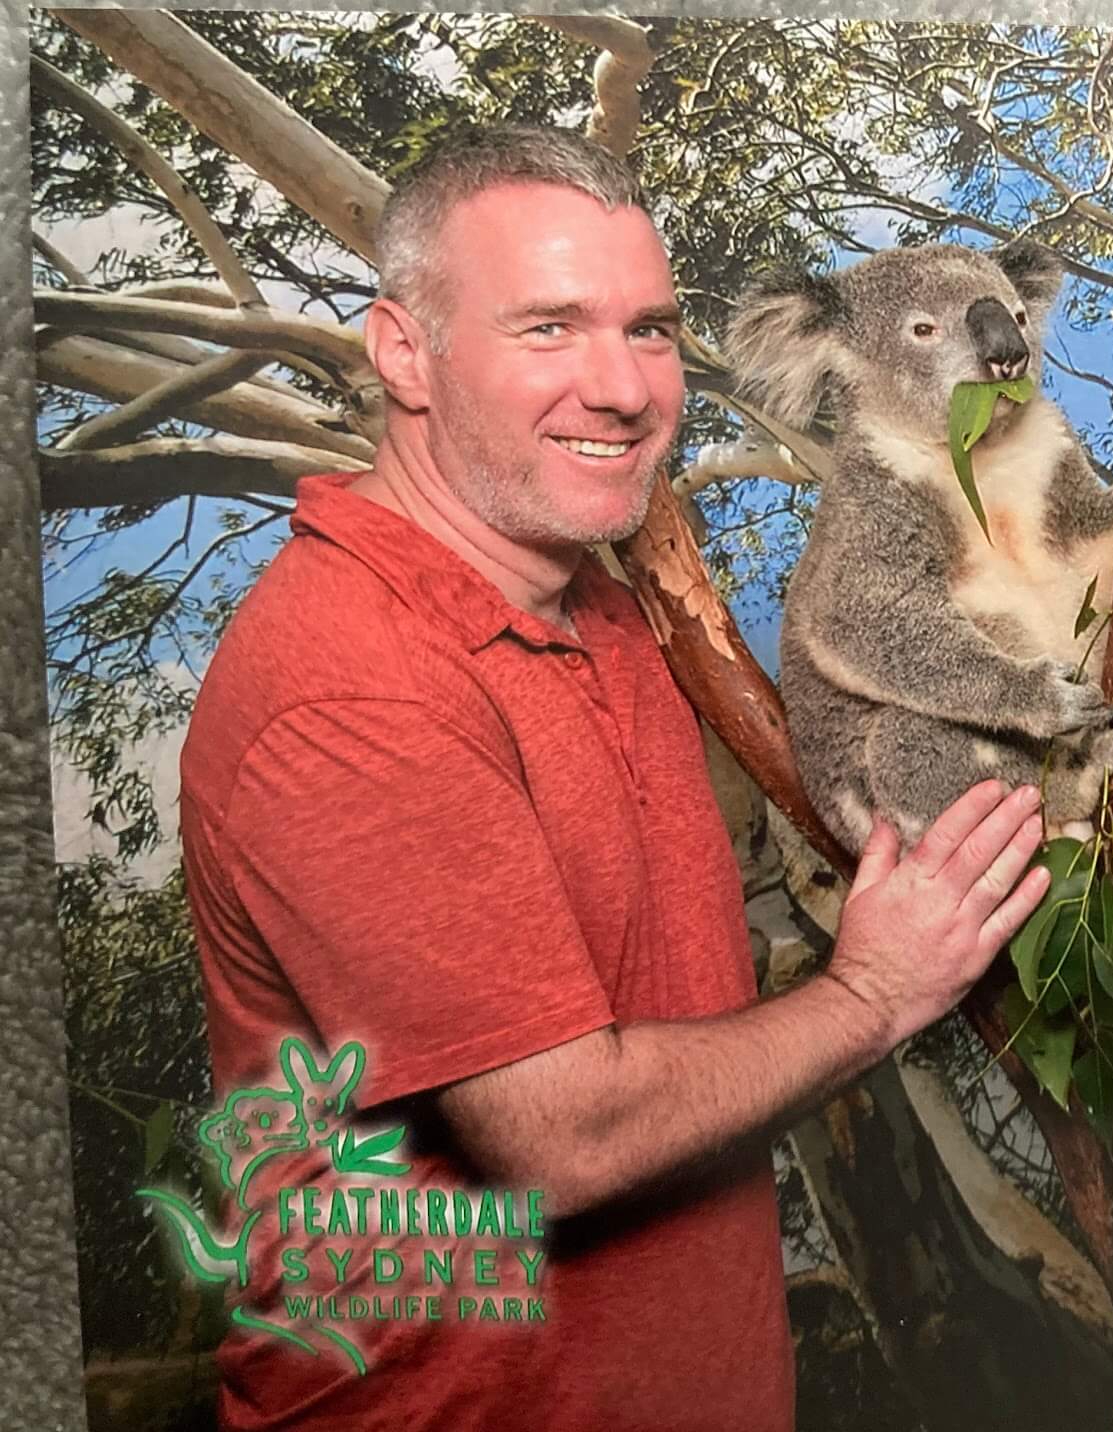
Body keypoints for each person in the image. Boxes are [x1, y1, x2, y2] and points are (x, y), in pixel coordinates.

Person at [177, 125, 1050, 1430]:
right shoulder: (352, 683)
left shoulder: (603, 605)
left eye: (648, 330)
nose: (625, 386)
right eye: (548, 329)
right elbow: (565, 1138)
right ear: (403, 353)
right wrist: (875, 988)